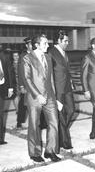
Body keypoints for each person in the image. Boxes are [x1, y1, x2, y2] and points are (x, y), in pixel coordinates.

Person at [22, 34, 61, 163]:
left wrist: (55, 97)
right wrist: (38, 95)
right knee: (34, 125)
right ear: (37, 45)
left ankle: (50, 151)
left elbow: (51, 79)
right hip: (35, 97)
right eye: (45, 43)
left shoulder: (48, 58)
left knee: (54, 123)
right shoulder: (27, 58)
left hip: (49, 96)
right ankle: (34, 153)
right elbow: (26, 79)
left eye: (47, 43)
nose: (48, 45)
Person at [48, 30, 75, 150]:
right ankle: (64, 141)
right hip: (58, 89)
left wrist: (71, 82)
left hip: (67, 88)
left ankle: (60, 133)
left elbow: (67, 70)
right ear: (58, 41)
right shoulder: (51, 53)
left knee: (71, 110)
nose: (67, 43)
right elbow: (49, 74)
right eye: (65, 41)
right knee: (61, 115)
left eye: (68, 41)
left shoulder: (64, 53)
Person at [0, 49, 15, 145]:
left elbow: (10, 72)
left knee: (0, 113)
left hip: (2, 87)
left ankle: (0, 138)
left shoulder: (4, 56)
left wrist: (10, 88)